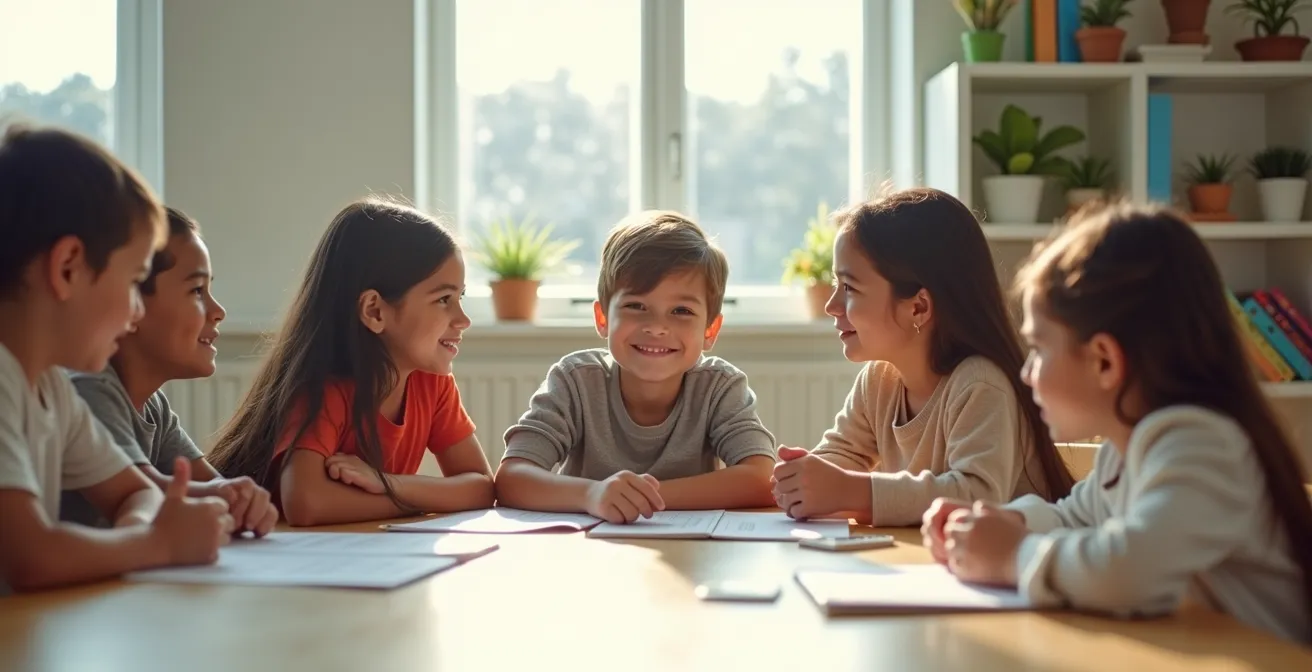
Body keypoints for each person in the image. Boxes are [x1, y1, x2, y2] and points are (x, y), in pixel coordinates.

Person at [924, 203, 1312, 644]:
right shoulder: (1123, 450)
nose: (1027, 373)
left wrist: (1014, 555)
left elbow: (1132, 570)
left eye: (1038, 349)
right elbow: (1073, 519)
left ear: (1104, 361)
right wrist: (990, 524)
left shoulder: (1203, 446)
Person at [0, 126, 231, 593]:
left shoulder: (50, 389)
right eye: (133, 282)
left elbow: (137, 491)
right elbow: (30, 557)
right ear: (68, 268)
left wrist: (136, 535)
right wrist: (158, 546)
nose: (136, 310)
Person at [772, 188, 1073, 526]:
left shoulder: (979, 383)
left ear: (918, 307)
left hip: (1011, 571)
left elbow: (977, 496)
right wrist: (803, 477)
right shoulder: (878, 380)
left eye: (850, 288)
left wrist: (852, 492)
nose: (831, 306)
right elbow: (842, 456)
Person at [207, 198, 495, 526]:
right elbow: (307, 503)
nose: (463, 319)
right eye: (443, 299)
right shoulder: (327, 388)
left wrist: (388, 484)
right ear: (375, 311)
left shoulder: (433, 384)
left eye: (461, 298)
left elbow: (481, 487)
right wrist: (412, 501)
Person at [494, 211, 777, 524]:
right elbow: (512, 478)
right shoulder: (575, 381)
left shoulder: (719, 387)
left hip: (693, 554)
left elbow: (762, 477)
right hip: (587, 552)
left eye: (681, 310)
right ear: (603, 318)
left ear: (710, 330)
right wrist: (592, 495)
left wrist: (643, 499)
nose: (656, 327)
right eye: (636, 306)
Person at [63, 207, 277, 537]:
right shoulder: (88, 390)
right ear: (132, 302)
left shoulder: (153, 407)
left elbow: (204, 484)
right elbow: (145, 490)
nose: (218, 311)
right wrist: (226, 496)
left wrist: (240, 497)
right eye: (196, 290)